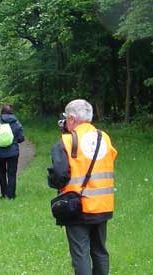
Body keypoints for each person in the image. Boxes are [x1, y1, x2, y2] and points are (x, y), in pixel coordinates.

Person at [47, 99, 118, 275]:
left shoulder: (67, 141)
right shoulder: (104, 138)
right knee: (100, 251)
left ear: (71, 118)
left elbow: (59, 176)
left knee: (81, 254)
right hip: (103, 204)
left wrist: (53, 181)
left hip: (77, 206)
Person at [0, 104, 26, 199]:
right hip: (13, 152)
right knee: (12, 173)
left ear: (2, 112)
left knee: (1, 172)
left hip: (0, 153)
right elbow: (21, 138)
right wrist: (15, 142)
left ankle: (4, 193)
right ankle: (11, 195)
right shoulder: (17, 123)